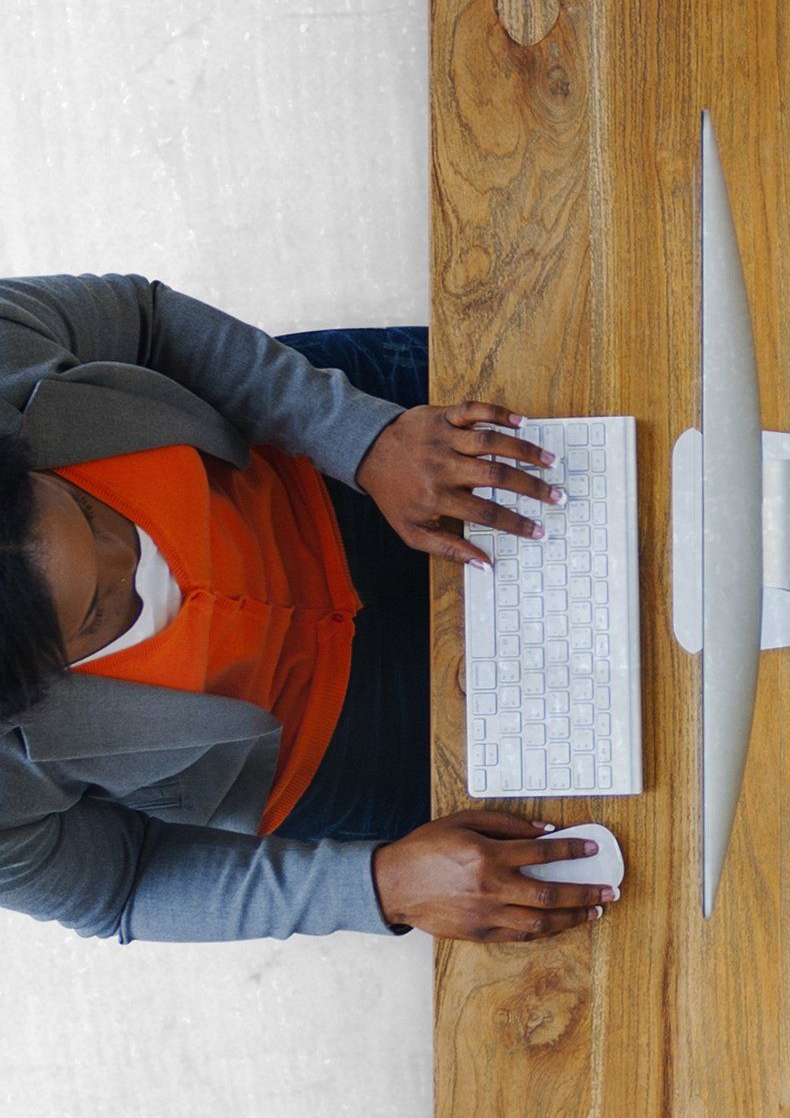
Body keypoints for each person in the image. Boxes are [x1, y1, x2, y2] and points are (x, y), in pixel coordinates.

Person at [0, 269, 616, 944]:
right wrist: (386, 885)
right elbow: (123, 887)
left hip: (332, 451)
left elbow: (146, 320)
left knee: (621, 368)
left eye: (89, 511)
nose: (138, 553)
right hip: (343, 748)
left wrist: (361, 434)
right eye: (102, 609)